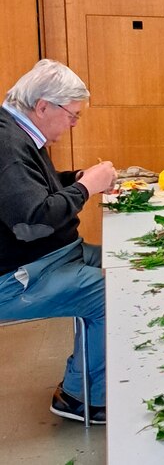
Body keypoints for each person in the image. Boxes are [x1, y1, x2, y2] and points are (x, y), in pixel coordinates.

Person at [0, 59, 117, 423]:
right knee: (111, 292)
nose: (74, 124)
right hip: (17, 277)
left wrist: (75, 178)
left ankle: (98, 375)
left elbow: (35, 191)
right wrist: (86, 188)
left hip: (50, 257)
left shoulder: (18, 133)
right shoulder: (7, 145)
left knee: (123, 263)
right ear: (42, 106)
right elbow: (33, 221)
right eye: (72, 115)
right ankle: (79, 398)